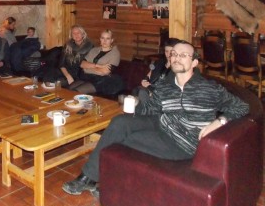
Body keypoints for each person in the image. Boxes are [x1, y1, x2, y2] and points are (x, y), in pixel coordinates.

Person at [62, 40, 249, 196]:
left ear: (194, 62)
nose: (177, 58)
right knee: (119, 123)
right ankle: (87, 178)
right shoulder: (166, 86)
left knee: (126, 140)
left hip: (182, 143)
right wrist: (136, 103)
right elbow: (149, 109)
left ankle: (110, 184)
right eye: (174, 54)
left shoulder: (209, 89)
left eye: (183, 55)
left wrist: (219, 122)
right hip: (162, 124)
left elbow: (242, 106)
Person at [70, 30, 123, 96]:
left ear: (111, 40)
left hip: (101, 81)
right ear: (100, 39)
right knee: (68, 89)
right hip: (87, 77)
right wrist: (99, 66)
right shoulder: (94, 50)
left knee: (75, 92)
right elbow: (82, 64)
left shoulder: (115, 53)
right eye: (102, 38)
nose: (105, 41)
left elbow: (104, 72)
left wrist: (87, 68)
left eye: (107, 38)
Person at [137, 38, 180, 103]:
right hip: (151, 89)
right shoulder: (159, 63)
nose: (168, 54)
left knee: (142, 92)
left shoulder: (178, 68)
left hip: (163, 95)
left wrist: (150, 88)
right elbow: (149, 74)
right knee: (138, 91)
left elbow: (170, 89)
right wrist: (145, 80)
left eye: (171, 52)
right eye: (166, 51)